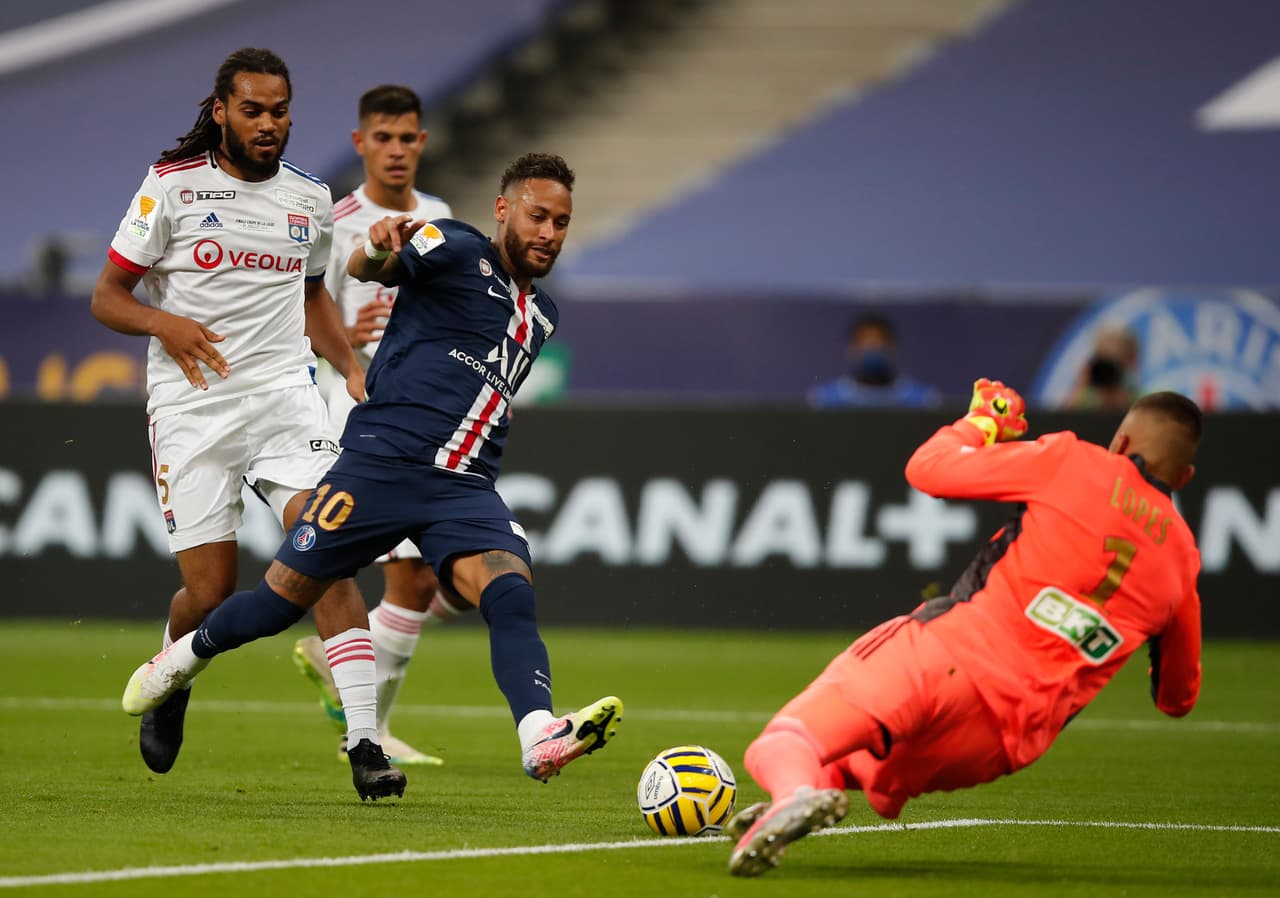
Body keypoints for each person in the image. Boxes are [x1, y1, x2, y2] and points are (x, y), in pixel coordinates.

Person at [121, 153, 623, 799]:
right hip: (378, 467)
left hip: (462, 488)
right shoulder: (455, 244)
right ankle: (183, 659)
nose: (549, 231)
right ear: (504, 210)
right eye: (537, 215)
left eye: (561, 221)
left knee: (509, 587)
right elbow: (371, 265)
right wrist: (376, 251)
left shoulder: (544, 315)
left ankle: (537, 736)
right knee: (278, 605)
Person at [727, 381, 1202, 877]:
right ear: (1185, 476)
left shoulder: (1075, 461)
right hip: (999, 742)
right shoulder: (1183, 562)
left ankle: (793, 795)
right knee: (850, 761)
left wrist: (982, 422)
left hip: (951, 655)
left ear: (1121, 443)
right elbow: (1176, 698)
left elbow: (927, 469)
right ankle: (795, 798)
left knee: (786, 740)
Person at [90, 47, 404, 798]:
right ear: (222, 111)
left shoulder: (307, 199)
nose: (270, 124)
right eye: (254, 111)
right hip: (191, 408)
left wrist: (352, 366)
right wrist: (167, 324)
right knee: (209, 592)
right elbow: (107, 297)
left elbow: (313, 297)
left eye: (281, 110)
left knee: (326, 549)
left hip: (284, 402)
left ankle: (365, 742)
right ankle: (176, 675)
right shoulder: (170, 188)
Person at [292, 84, 466, 768]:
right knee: (412, 580)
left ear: (422, 142)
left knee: (442, 580)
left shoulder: (442, 215)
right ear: (360, 142)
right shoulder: (334, 223)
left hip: (432, 413)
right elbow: (297, 321)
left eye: (408, 138)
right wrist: (342, 337)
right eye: (383, 138)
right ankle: (364, 729)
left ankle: (340, 667)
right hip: (362, 414)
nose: (396, 150)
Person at [807, 312, 940, 408]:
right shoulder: (825, 400)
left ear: (892, 347)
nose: (873, 346)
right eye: (864, 341)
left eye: (879, 340)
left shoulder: (923, 400)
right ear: (852, 348)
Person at [1067, 324, 1141, 410]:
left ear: (1131, 362)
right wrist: (1081, 382)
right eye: (1102, 358)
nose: (1107, 369)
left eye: (1114, 360)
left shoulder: (1146, 403)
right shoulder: (1084, 403)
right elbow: (1060, 421)